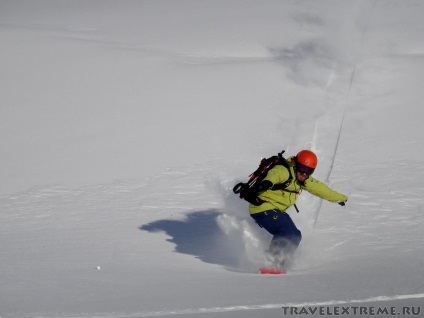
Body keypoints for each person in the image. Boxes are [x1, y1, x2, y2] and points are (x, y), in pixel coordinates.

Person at [249, 150, 348, 270]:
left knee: (296, 236)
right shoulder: (284, 171)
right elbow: (274, 175)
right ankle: (271, 262)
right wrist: (267, 182)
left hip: (275, 209)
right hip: (262, 207)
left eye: (308, 171)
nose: (304, 174)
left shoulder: (303, 179)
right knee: (286, 232)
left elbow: (320, 188)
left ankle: (282, 262)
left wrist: (339, 198)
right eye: (301, 169)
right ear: (296, 164)